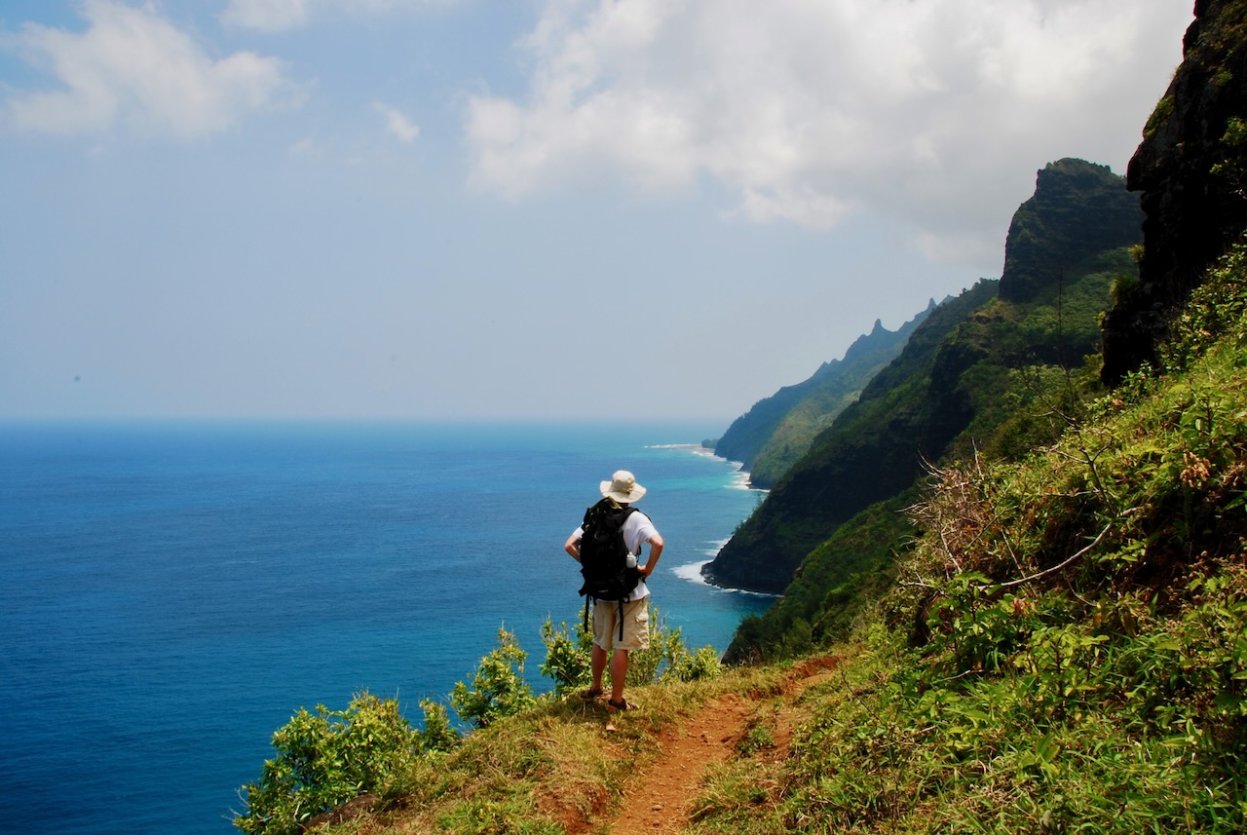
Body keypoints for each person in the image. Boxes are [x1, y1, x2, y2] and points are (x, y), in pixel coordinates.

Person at [563, 470, 664, 713]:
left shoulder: (596, 516)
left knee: (600, 642)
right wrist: (647, 570)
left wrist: (592, 567)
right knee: (622, 646)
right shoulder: (636, 518)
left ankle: (596, 688)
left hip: (601, 590)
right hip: (629, 593)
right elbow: (658, 543)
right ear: (630, 494)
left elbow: (569, 545)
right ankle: (616, 701)